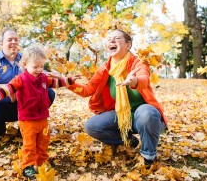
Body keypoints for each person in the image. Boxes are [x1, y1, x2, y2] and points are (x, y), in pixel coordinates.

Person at [67, 29, 167, 169]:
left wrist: (135, 81)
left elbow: (144, 77)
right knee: (92, 126)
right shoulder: (105, 68)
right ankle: (129, 141)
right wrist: (69, 84)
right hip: (121, 115)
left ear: (128, 45)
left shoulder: (138, 64)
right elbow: (88, 89)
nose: (111, 41)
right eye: (109, 39)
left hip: (145, 118)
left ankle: (148, 156)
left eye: (117, 38)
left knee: (146, 112)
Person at [0, 45, 79, 179]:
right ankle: (27, 166)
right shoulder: (21, 79)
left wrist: (69, 80)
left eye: (41, 66)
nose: (39, 70)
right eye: (35, 67)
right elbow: (6, 89)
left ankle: (41, 162)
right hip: (27, 120)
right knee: (29, 144)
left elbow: (56, 83)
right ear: (25, 64)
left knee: (44, 141)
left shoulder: (43, 78)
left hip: (43, 118)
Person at [0, 28, 55, 140]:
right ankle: (0, 132)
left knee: (49, 92)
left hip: (25, 104)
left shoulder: (26, 59)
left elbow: (41, 76)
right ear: (1, 43)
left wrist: (55, 75)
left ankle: (29, 128)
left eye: (16, 40)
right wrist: (7, 89)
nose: (13, 42)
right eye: (9, 39)